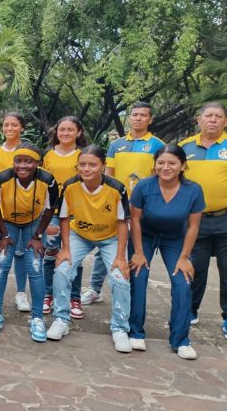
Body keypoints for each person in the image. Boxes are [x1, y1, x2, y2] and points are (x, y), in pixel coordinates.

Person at [46, 145, 133, 353]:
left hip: (110, 237)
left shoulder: (117, 188)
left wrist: (121, 256)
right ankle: (61, 318)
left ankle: (120, 328)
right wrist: (65, 249)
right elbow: (64, 219)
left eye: (92, 165)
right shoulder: (70, 186)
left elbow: (123, 223)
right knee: (62, 270)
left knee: (120, 278)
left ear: (102, 166)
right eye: (82, 164)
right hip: (79, 235)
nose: (86, 169)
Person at [82, 102, 164, 306]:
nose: (138, 118)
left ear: (150, 119)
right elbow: (108, 175)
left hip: (143, 206)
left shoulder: (157, 145)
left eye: (143, 115)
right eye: (134, 114)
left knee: (132, 249)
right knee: (105, 247)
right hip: (117, 204)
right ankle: (95, 288)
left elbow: (160, 176)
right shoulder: (116, 145)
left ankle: (130, 294)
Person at [128, 145, 204, 359]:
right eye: (161, 162)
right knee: (138, 275)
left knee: (183, 281)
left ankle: (181, 339)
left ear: (182, 166)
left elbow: (193, 226)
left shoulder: (193, 190)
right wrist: (139, 252)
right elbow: (134, 219)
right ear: (154, 164)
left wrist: (184, 257)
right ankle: (135, 331)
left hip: (175, 238)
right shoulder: (143, 186)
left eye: (172, 163)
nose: (166, 167)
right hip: (146, 234)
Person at [0, 144, 56, 342]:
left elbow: (50, 209)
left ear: (37, 163)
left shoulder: (48, 180)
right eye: (18, 161)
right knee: (2, 265)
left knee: (36, 267)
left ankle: (37, 318)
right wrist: (4, 234)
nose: (22, 166)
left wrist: (38, 236)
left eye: (28, 161)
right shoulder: (1, 179)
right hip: (9, 224)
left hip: (34, 224)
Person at [179, 101, 227, 337]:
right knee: (195, 269)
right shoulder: (184, 147)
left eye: (218, 116)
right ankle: (190, 311)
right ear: (199, 120)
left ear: (225, 122)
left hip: (224, 219)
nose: (213, 119)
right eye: (208, 115)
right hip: (195, 222)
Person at [0, 112, 30, 312]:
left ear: (22, 128)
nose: (9, 128)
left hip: (22, 211)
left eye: (14, 125)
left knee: (19, 252)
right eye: (6, 125)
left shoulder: (28, 152)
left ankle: (20, 293)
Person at [41, 116, 88, 318]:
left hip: (75, 213)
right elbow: (41, 184)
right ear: (56, 131)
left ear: (79, 132)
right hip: (52, 211)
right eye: (62, 129)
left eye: (70, 130)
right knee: (50, 253)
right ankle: (48, 294)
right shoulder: (48, 155)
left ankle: (73, 297)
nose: (66, 133)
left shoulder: (82, 155)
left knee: (73, 256)